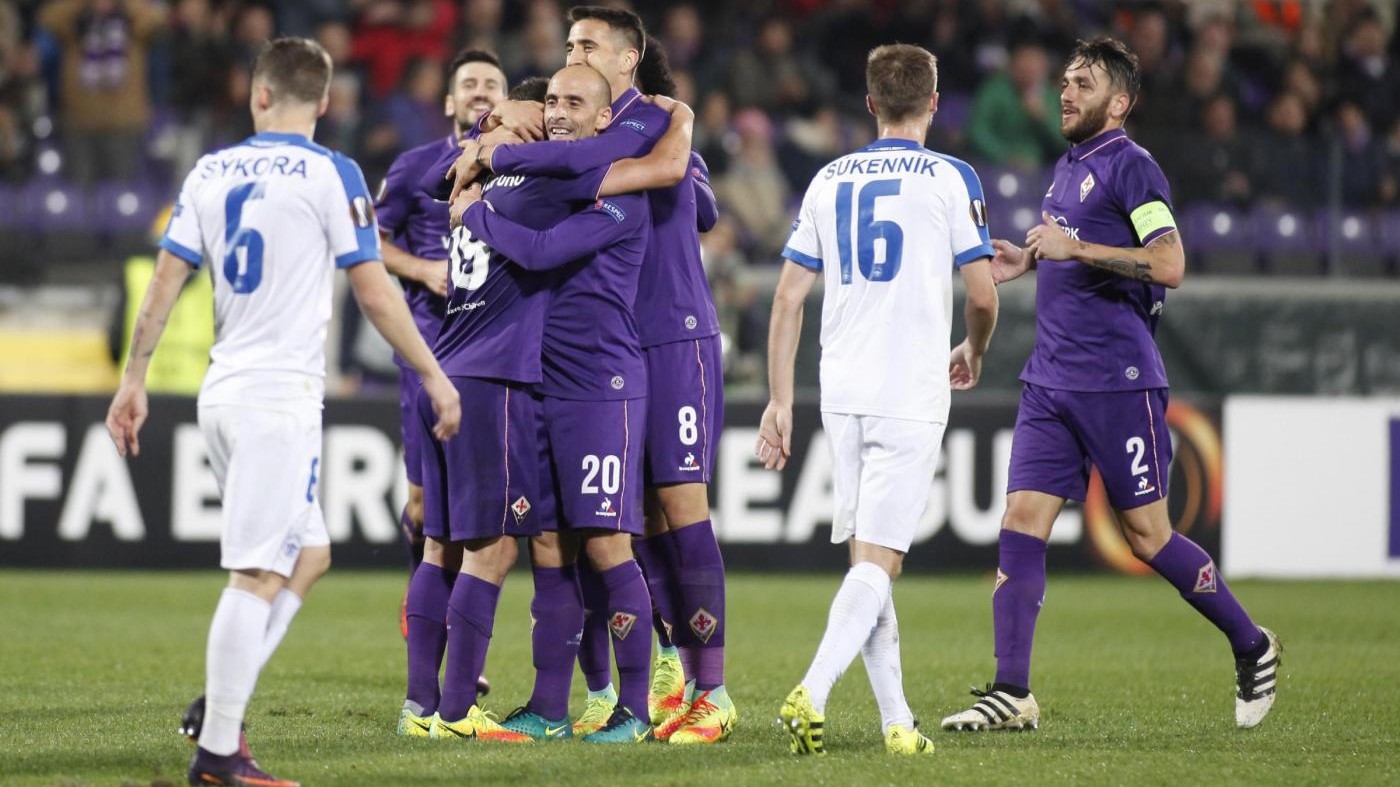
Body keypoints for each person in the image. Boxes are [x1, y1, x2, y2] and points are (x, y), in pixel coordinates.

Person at [104, 38, 460, 786]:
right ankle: (219, 753)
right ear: (325, 103)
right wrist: (434, 374)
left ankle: (219, 707)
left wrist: (132, 378)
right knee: (257, 573)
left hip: (224, 392)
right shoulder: (332, 172)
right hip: (278, 399)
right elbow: (372, 289)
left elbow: (167, 279)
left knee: (308, 554)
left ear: (258, 95)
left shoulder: (208, 170)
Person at [939, 37, 1279, 734]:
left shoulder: (1133, 166)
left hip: (1117, 381)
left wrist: (1077, 248)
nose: (1065, 91)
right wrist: (1030, 257)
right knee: (1020, 523)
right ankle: (1011, 690)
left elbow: (1171, 262)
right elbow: (1071, 246)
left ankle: (1253, 643)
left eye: (1083, 83)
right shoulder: (1068, 166)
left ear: (1118, 102)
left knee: (1149, 537)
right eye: (1064, 79)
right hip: (1050, 380)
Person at [450, 10, 736, 744]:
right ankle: (632, 677)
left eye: (586, 45)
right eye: (570, 44)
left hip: (670, 334)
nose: (571, 53)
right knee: (605, 525)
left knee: (678, 505)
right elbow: (690, 203)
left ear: (627, 60)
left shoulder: (665, 120)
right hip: (596, 349)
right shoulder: (582, 131)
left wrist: (495, 156)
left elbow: (684, 183)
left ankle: (713, 688)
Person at [757, 43, 1000, 757]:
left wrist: (780, 401)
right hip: (908, 387)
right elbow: (983, 295)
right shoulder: (951, 176)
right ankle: (813, 686)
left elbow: (787, 297)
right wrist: (975, 349)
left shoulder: (830, 177)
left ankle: (899, 723)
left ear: (869, 105)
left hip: (843, 388)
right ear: (933, 101)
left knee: (868, 559)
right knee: (882, 561)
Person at [453, 62, 657, 744]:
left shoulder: (618, 187)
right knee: (546, 541)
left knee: (606, 543)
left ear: (606, 119)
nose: (562, 110)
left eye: (578, 102)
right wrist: (482, 148)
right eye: (556, 100)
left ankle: (634, 707)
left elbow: (539, 254)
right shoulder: (551, 177)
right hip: (537, 378)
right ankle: (548, 706)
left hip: (601, 384)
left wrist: (477, 212)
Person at [381, 48, 508, 736]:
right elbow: (368, 245)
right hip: (428, 351)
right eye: (469, 84)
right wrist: (423, 269)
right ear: (451, 101)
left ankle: (452, 662)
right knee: (432, 511)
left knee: (481, 524)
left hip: (495, 355)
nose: (482, 92)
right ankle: (433, 648)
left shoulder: (519, 161)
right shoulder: (414, 168)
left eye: (493, 82)